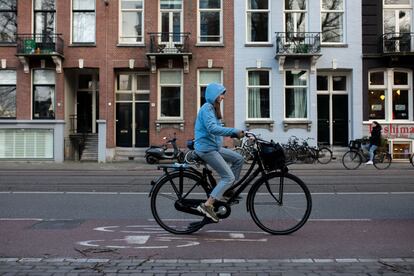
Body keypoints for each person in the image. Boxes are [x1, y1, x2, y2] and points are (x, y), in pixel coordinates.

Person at [194, 83, 245, 222]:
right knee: (228, 177)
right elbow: (212, 129)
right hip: (206, 149)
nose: (222, 97)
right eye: (221, 94)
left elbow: (217, 130)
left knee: (238, 159)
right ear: (214, 95)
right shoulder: (206, 108)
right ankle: (207, 205)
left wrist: (238, 134)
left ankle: (227, 190)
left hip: (214, 147)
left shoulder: (214, 109)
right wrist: (233, 131)